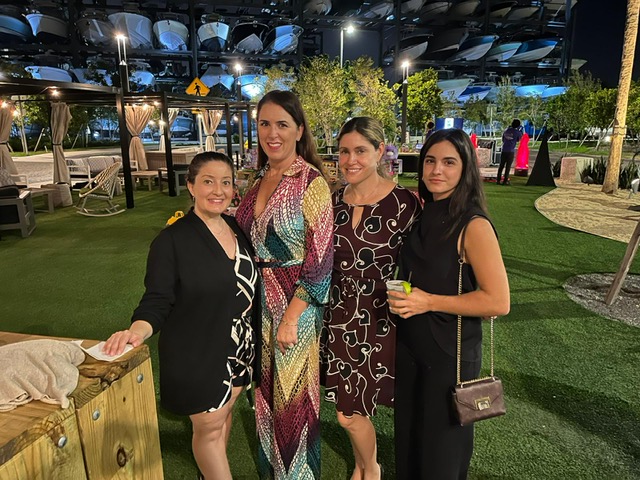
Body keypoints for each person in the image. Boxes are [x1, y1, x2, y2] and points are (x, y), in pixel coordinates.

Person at [103, 152, 259, 480]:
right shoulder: (172, 240)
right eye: (208, 181)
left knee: (223, 415)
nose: (218, 190)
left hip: (240, 347)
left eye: (226, 182)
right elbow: (157, 299)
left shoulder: (234, 227)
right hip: (199, 351)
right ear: (191, 186)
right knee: (209, 428)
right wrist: (137, 330)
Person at [388, 129, 510, 479]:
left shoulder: (473, 224)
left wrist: (428, 302)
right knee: (409, 447)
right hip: (411, 349)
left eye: (448, 162)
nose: (436, 170)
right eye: (430, 161)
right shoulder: (424, 213)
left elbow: (498, 301)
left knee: (440, 457)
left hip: (449, 356)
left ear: (465, 168)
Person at [235, 90, 333, 479]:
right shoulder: (257, 178)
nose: (272, 133)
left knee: (294, 402)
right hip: (257, 302)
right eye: (264, 124)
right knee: (264, 396)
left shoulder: (311, 182)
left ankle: (298, 474)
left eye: (282, 124)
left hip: (296, 305)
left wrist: (291, 318)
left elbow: (321, 261)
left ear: (299, 130)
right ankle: (272, 472)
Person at [320, 117, 420, 480]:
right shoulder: (332, 201)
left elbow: (421, 265)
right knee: (349, 408)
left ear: (379, 151)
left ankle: (371, 470)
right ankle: (365, 466)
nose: (350, 160)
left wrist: (408, 299)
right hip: (337, 317)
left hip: (381, 320)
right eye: (344, 151)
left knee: (350, 412)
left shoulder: (405, 204)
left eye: (360, 151)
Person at [496, 118, 523, 185]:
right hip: (510, 151)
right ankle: (505, 181)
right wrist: (520, 131)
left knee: (501, 166)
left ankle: (498, 180)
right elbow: (518, 139)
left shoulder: (506, 130)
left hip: (504, 150)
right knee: (508, 167)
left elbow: (503, 139)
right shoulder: (517, 132)